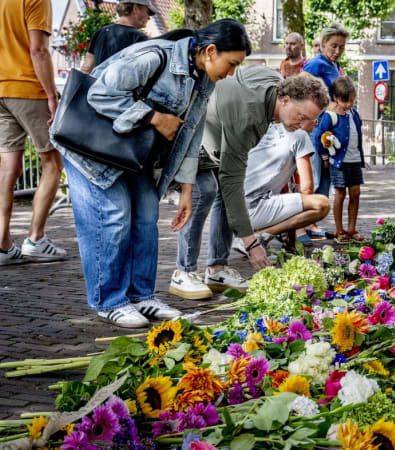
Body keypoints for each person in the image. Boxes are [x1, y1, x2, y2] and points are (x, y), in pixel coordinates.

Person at [53, 19, 252, 328]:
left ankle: (141, 296)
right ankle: (109, 301)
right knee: (115, 217)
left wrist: (187, 189)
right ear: (211, 51)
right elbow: (99, 95)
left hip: (133, 153)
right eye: (232, 64)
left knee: (147, 219)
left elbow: (191, 133)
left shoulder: (204, 79)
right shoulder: (153, 56)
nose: (231, 73)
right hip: (91, 150)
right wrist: (154, 117)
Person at [199, 67, 328, 272]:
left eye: (312, 121)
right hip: (248, 207)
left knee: (220, 194)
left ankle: (217, 264)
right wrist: (254, 242)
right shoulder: (296, 134)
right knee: (321, 204)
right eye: (303, 117)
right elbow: (306, 188)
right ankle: (258, 237)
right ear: (286, 101)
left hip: (236, 204)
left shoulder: (269, 118)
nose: (304, 125)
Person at [0, 0, 67, 266]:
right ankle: (36, 239)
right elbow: (38, 49)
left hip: (1, 90)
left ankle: (3, 245)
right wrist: (52, 95)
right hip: (28, 88)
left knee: (8, 168)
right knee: (53, 163)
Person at [241, 122, 330, 253]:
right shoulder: (300, 135)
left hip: (235, 212)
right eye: (315, 119)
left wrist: (291, 238)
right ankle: (255, 239)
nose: (316, 124)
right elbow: (306, 190)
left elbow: (290, 196)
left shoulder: (269, 130)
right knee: (321, 204)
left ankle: (253, 237)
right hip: (252, 210)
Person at [303, 23, 349, 236]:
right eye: (333, 46)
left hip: (330, 130)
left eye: (341, 47)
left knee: (326, 177)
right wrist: (325, 106)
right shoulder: (316, 64)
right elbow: (302, 91)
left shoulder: (335, 66)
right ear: (323, 44)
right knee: (313, 174)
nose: (337, 51)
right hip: (316, 127)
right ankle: (302, 223)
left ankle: (313, 221)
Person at [310, 77, 365, 244]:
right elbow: (320, 137)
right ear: (335, 97)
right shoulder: (330, 116)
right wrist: (325, 157)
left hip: (354, 160)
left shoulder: (354, 114)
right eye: (345, 101)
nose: (348, 104)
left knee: (355, 192)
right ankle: (340, 230)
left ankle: (352, 229)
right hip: (339, 162)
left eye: (351, 100)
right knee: (340, 193)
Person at [79, 0, 153, 74]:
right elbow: (145, 71)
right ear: (135, 9)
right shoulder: (139, 37)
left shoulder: (100, 32)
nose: (149, 18)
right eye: (148, 12)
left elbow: (86, 68)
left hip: (100, 80)